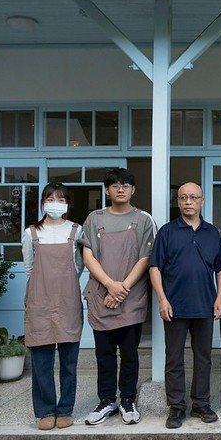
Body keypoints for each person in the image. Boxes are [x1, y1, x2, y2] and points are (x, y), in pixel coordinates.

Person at [80, 168, 156, 426]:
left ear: (133, 190)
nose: (120, 189)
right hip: (102, 295)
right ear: (107, 190)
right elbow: (88, 255)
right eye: (114, 185)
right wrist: (110, 285)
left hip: (131, 297)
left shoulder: (144, 219)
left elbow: (145, 258)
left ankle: (128, 400)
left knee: (130, 354)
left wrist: (122, 288)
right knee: (104, 354)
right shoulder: (94, 218)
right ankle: (106, 400)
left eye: (125, 185)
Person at [149, 182, 221, 429]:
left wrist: (219, 298)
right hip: (175, 306)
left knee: (204, 358)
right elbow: (154, 268)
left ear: (202, 201)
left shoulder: (211, 232)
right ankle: (176, 407)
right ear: (178, 201)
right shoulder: (167, 231)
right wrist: (162, 299)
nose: (188, 201)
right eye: (183, 197)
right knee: (174, 359)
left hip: (205, 305)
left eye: (193, 197)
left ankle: (201, 404)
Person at [21, 183, 84, 430]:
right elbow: (29, 268)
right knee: (41, 363)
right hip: (40, 302)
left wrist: (63, 284)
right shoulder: (31, 233)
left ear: (67, 204)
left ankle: (65, 409)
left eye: (60, 199)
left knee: (69, 362)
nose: (55, 204)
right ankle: (45, 411)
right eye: (50, 199)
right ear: (42, 203)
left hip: (67, 301)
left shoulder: (76, 230)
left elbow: (78, 265)